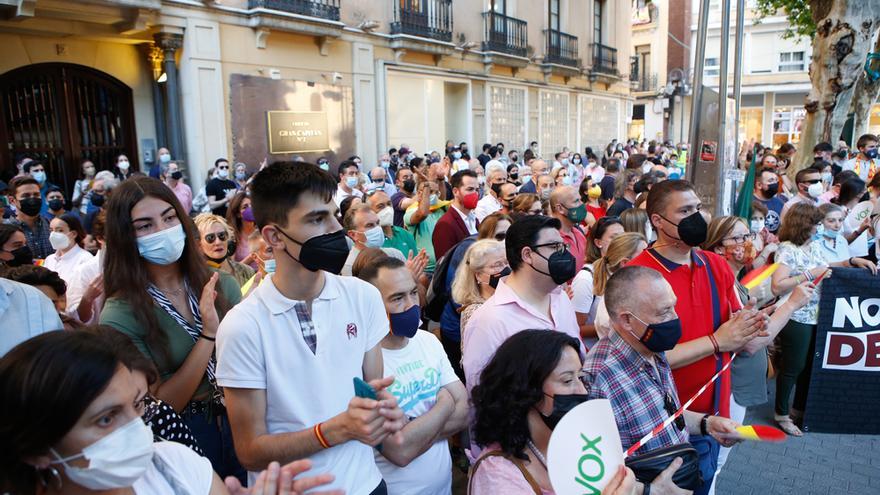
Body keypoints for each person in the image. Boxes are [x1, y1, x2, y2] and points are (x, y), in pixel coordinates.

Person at [216, 161, 408, 494]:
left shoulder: (362, 297)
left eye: (335, 215)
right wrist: (333, 431)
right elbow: (249, 451)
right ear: (274, 236)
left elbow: (371, 392)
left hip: (367, 484)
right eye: (317, 219)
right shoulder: (243, 326)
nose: (336, 229)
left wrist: (382, 410)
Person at [0, 331, 339, 495]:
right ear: (37, 451)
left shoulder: (174, 464)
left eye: (138, 404)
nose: (138, 429)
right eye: (106, 419)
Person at [98, 176, 245, 481]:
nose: (163, 231)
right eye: (145, 226)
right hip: (185, 432)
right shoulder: (120, 313)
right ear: (126, 236)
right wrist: (207, 334)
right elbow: (161, 404)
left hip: (242, 417)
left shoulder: (220, 284)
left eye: (168, 218)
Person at [629, 179, 769, 493]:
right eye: (685, 210)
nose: (697, 217)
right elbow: (639, 361)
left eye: (697, 208)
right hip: (659, 426)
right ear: (657, 221)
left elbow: (740, 338)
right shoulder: (638, 276)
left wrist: (750, 323)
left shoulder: (716, 265)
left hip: (711, 424)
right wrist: (718, 342)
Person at [583, 266, 742, 495]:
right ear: (627, 320)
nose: (675, 318)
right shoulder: (597, 380)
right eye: (664, 312)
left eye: (673, 306)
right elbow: (591, 473)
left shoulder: (651, 349)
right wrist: (648, 491)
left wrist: (707, 424)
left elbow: (662, 414)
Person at [700, 216, 815, 488]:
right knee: (716, 463)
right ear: (718, 248)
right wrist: (791, 305)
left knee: (718, 461)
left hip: (736, 386)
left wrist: (763, 314)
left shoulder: (732, 281)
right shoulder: (721, 285)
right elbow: (749, 344)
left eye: (747, 236)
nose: (747, 243)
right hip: (730, 386)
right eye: (738, 238)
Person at [469, 329, 636, 495]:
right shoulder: (497, 476)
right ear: (527, 392)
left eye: (581, 377)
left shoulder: (578, 445)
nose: (582, 391)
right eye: (567, 380)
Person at [356, 256, 469, 494]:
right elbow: (399, 451)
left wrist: (415, 434)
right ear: (370, 305)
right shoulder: (362, 363)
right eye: (397, 298)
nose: (410, 305)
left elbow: (465, 412)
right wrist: (445, 403)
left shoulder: (427, 341)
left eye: (413, 293)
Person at [770, 202, 876, 436]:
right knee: (793, 367)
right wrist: (809, 274)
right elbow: (777, 285)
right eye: (817, 223)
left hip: (817, 314)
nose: (819, 228)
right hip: (796, 314)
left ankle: (797, 410)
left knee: (808, 366)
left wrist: (852, 261)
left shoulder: (813, 246)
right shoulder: (787, 249)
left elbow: (826, 266)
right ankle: (781, 414)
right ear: (804, 225)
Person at [463, 215, 584, 401]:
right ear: (527, 255)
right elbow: (481, 398)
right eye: (554, 247)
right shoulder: (488, 320)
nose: (564, 254)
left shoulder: (562, 300)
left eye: (563, 247)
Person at [571, 217, 625, 342]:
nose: (620, 242)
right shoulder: (585, 279)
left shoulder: (621, 270)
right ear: (598, 242)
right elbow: (576, 327)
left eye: (623, 237)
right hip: (596, 353)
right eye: (614, 237)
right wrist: (616, 328)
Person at [588, 233, 648, 343]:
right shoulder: (613, 306)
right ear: (625, 263)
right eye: (645, 255)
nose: (651, 259)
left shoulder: (631, 294)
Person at [451, 239, 508, 344]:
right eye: (497, 265)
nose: (505, 269)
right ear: (478, 275)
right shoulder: (475, 312)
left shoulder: (506, 298)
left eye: (506, 263)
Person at [65, 211, 106, 325]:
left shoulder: (139, 263)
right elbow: (76, 318)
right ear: (100, 238)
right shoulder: (84, 270)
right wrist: (88, 298)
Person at [194, 214, 255, 287]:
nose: (218, 242)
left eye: (222, 235)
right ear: (199, 245)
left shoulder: (246, 271)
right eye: (210, 238)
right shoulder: (198, 279)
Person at [342, 203, 404, 276]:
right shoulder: (349, 267)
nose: (377, 228)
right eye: (369, 225)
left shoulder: (395, 254)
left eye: (377, 223)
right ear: (353, 235)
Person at [432, 170, 480, 260]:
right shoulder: (445, 224)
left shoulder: (474, 219)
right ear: (455, 192)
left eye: (477, 190)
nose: (475, 194)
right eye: (470, 189)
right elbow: (445, 264)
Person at [5, 176, 53, 259]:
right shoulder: (6, 230)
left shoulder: (50, 224)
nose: (32, 199)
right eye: (26, 196)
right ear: (12, 200)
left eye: (36, 194)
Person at [42, 213, 93, 288]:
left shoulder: (85, 259)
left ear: (73, 234)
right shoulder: (49, 259)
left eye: (60, 230)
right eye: (51, 230)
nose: (53, 234)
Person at [366, 189, 418, 259]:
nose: (387, 209)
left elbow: (417, 263)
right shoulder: (371, 239)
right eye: (380, 206)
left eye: (389, 204)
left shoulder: (405, 234)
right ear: (370, 211)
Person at [549, 186, 587, 273]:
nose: (582, 204)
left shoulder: (578, 233)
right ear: (560, 208)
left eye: (580, 200)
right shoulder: (551, 240)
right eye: (576, 201)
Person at [752, 167, 785, 233]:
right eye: (771, 180)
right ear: (759, 185)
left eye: (776, 180)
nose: (775, 183)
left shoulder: (780, 203)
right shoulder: (748, 202)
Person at [226, 192, 255, 262]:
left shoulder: (262, 230)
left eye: (252, 205)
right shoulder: (233, 237)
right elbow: (233, 268)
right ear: (238, 214)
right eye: (245, 207)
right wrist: (251, 258)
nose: (250, 209)